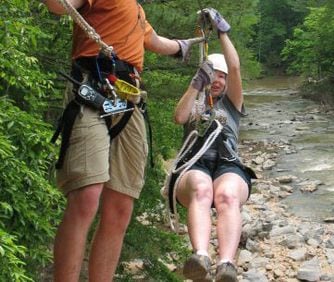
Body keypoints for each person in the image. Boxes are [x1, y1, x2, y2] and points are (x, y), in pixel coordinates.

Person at [42, 0, 201, 281]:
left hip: (129, 101)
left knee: (121, 206)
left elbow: (154, 40)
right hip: (91, 88)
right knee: (87, 194)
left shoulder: (137, 10)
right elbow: (60, 5)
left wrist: (189, 44)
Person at [173, 7, 256, 282]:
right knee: (201, 187)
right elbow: (180, 117)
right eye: (213, 75)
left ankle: (226, 264)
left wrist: (222, 32)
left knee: (228, 196)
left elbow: (234, 66)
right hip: (194, 165)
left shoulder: (232, 104)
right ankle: (201, 256)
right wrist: (197, 83)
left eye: (221, 76)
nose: (218, 80)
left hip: (227, 165)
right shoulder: (195, 97)